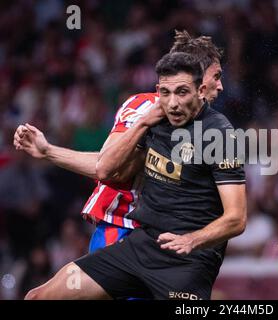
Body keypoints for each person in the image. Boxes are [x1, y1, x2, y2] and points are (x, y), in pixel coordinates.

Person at [24, 52, 247, 300]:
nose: (172, 103)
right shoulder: (154, 118)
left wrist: (192, 240)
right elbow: (106, 169)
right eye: (165, 93)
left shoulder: (221, 135)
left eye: (182, 92)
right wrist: (142, 124)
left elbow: (236, 218)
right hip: (138, 247)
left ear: (199, 90)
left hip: (186, 263)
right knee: (39, 297)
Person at [13, 30, 224, 253]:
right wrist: (49, 152)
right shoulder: (144, 107)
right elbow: (107, 167)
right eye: (216, 76)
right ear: (196, 77)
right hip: (123, 228)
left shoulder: (205, 127)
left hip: (167, 235)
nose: (220, 86)